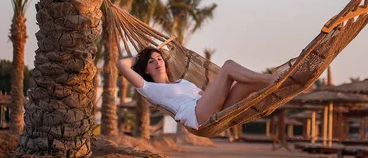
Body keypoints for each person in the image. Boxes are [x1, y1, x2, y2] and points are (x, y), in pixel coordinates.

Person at [116, 46, 278, 130]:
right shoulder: (150, 89)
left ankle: (280, 85)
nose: (158, 62)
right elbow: (121, 65)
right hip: (198, 115)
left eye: (159, 58)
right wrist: (141, 55)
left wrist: (240, 97)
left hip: (212, 109)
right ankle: (272, 79)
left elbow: (208, 96)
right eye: (151, 61)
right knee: (228, 66)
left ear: (165, 63)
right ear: (145, 69)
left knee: (245, 84)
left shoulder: (182, 83)